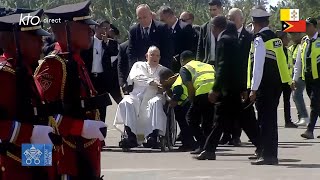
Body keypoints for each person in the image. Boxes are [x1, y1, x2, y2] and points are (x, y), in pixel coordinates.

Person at [34, 1, 107, 179]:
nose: (91, 31)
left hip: (82, 155)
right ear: (68, 29)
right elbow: (43, 118)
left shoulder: (75, 61)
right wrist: (81, 128)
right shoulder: (54, 65)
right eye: (85, 26)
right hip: (65, 160)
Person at [0, 9, 59, 180]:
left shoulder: (23, 71)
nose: (41, 43)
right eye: (35, 37)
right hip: (12, 163)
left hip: (30, 155)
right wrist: (31, 132)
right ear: (16, 40)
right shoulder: (5, 75)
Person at [247, 6, 291, 165]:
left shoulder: (260, 39)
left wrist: (253, 88)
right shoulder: (276, 39)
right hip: (276, 85)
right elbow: (282, 64)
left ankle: (266, 155)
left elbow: (257, 67)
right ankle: (271, 154)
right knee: (271, 121)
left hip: (264, 86)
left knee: (264, 121)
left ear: (255, 23)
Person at [195, 15, 240, 160]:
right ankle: (209, 150)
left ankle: (209, 149)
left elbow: (222, 67)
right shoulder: (231, 39)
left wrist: (215, 88)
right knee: (240, 120)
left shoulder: (224, 41)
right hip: (233, 87)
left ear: (214, 27)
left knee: (223, 119)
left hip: (227, 88)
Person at [220, 8, 260, 148]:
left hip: (243, 78)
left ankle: (237, 137)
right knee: (226, 110)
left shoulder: (249, 36)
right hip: (228, 80)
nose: (229, 21)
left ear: (241, 20)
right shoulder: (224, 35)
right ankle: (223, 137)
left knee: (242, 111)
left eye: (232, 18)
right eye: (228, 18)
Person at [114, 46, 167, 149]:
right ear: (146, 56)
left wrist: (163, 86)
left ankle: (153, 136)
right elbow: (137, 77)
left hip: (154, 96)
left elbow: (167, 84)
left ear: (160, 57)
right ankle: (131, 137)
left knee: (155, 102)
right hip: (136, 96)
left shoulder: (163, 70)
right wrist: (152, 82)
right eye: (152, 55)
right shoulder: (138, 65)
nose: (154, 57)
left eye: (157, 55)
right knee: (126, 102)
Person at [80, 18, 119, 123]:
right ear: (96, 28)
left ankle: (101, 135)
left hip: (103, 80)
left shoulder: (111, 44)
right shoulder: (87, 42)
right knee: (90, 110)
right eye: (103, 28)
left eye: (108, 29)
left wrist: (106, 44)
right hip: (90, 79)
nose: (105, 31)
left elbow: (114, 56)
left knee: (102, 110)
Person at [178, 50, 215, 155]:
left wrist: (192, 100)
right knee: (208, 121)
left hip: (202, 92)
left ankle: (202, 144)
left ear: (182, 60)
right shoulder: (206, 65)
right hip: (215, 92)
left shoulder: (185, 68)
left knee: (190, 118)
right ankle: (209, 148)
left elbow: (189, 85)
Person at [293, 17, 320, 139]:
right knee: (317, 104)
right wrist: (295, 78)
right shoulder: (304, 42)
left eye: (308, 25)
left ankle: (310, 130)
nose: (305, 28)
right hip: (307, 78)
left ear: (315, 27)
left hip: (318, 78)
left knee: (314, 103)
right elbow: (298, 62)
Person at [128, 4, 173, 71]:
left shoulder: (162, 28)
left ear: (150, 15)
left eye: (145, 17)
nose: (143, 20)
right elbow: (131, 52)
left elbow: (168, 51)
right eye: (140, 18)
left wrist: (163, 70)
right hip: (142, 70)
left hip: (160, 68)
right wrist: (135, 69)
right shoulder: (134, 31)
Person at [160, 68, 196, 151]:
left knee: (184, 125)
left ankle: (189, 144)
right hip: (187, 103)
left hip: (185, 105)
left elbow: (175, 98)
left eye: (162, 81)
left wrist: (170, 103)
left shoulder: (177, 85)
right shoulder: (179, 79)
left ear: (167, 79)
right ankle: (189, 143)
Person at [158, 6, 196, 72]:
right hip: (168, 67)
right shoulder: (164, 29)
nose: (161, 23)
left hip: (182, 66)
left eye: (163, 20)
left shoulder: (185, 28)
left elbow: (189, 48)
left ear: (170, 17)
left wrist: (176, 57)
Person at [276, 30, 298, 128]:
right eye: (286, 38)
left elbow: (289, 66)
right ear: (280, 39)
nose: (288, 40)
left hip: (287, 80)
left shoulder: (288, 51)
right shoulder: (277, 50)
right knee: (274, 102)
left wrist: (291, 80)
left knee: (287, 101)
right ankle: (271, 121)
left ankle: (288, 121)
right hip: (278, 80)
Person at [290, 33, 309, 126]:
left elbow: (299, 63)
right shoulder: (293, 47)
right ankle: (302, 116)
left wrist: (295, 78)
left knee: (296, 95)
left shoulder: (304, 43)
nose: (292, 37)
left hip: (302, 75)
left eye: (294, 35)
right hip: (297, 75)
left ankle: (304, 117)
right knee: (296, 95)